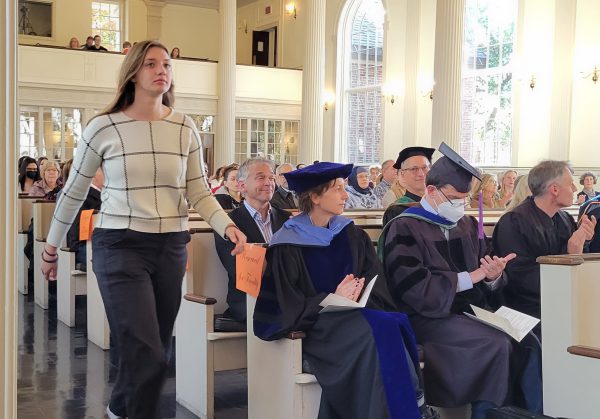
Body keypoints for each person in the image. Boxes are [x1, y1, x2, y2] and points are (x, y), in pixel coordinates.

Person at [39, 40, 246, 419]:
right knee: (147, 352)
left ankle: (119, 408)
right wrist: (51, 249)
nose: (161, 70)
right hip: (118, 245)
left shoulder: (185, 127)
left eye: (166, 64)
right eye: (151, 63)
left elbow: (198, 189)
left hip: (169, 246)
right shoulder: (103, 126)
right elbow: (73, 192)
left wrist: (226, 225)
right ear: (133, 72)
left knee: (156, 353)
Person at [253, 162, 439, 419]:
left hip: (356, 317)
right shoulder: (288, 244)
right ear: (315, 197)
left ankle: (412, 406)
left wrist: (360, 292)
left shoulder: (351, 234)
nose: (345, 195)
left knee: (393, 321)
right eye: (338, 189)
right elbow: (287, 304)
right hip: (319, 328)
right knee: (376, 332)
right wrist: (332, 299)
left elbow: (375, 281)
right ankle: (412, 409)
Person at [381, 143, 542, 419]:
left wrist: (493, 275)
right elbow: (414, 289)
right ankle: (487, 414)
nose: (460, 205)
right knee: (496, 344)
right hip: (428, 316)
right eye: (454, 198)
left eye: (464, 199)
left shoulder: (467, 224)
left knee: (530, 341)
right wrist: (470, 277)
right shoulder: (403, 227)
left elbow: (487, 266)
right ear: (431, 191)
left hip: (472, 312)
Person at [493, 161, 596, 336]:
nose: (573, 188)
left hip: (561, 298)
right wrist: (570, 255)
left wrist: (584, 241)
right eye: (570, 183)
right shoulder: (514, 222)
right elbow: (520, 277)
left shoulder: (564, 219)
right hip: (529, 307)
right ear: (554, 190)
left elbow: (575, 255)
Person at [214, 158, 290, 327]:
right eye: (261, 177)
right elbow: (239, 270)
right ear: (242, 186)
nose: (269, 183)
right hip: (249, 299)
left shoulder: (286, 219)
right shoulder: (229, 224)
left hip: (286, 296)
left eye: (271, 178)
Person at [382, 147, 434, 227]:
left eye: (424, 168)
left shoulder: (438, 206)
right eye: (414, 169)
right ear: (402, 174)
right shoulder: (397, 210)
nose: (421, 174)